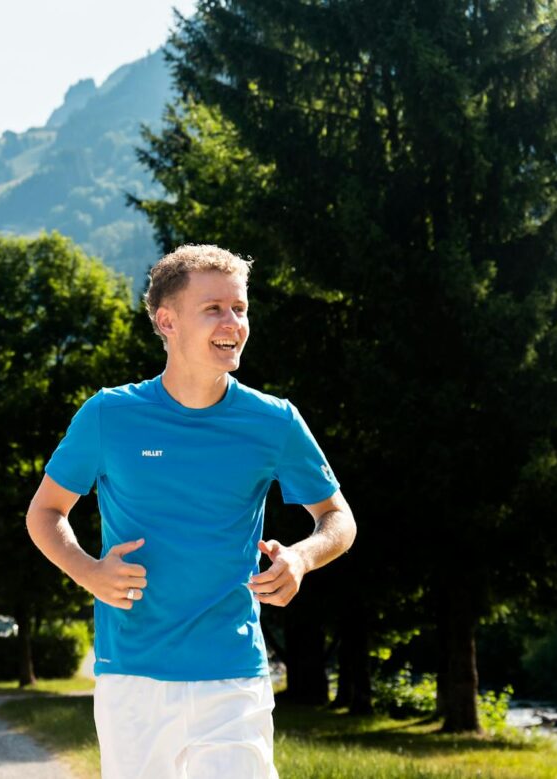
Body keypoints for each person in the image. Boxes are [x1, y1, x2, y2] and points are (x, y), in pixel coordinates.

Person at [26, 245, 356, 779]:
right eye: (214, 309)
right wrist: (88, 570)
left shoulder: (273, 421)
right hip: (132, 675)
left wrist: (301, 558)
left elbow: (338, 518)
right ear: (167, 320)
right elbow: (44, 513)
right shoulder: (109, 414)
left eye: (240, 308)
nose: (234, 323)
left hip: (233, 675)